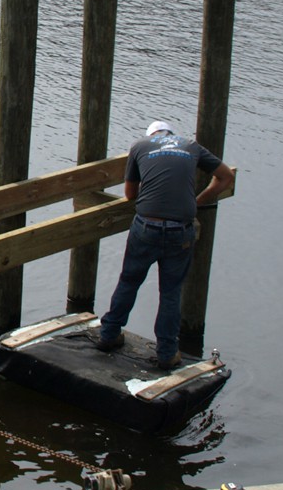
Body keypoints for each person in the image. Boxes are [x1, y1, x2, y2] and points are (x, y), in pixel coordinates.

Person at [93, 120, 235, 370]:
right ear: (171, 134)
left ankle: (109, 335)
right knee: (170, 293)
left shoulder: (140, 146)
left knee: (129, 281)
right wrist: (197, 201)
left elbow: (130, 195)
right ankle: (168, 353)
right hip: (181, 230)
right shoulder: (191, 145)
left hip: (146, 227)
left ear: (151, 134)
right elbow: (226, 177)